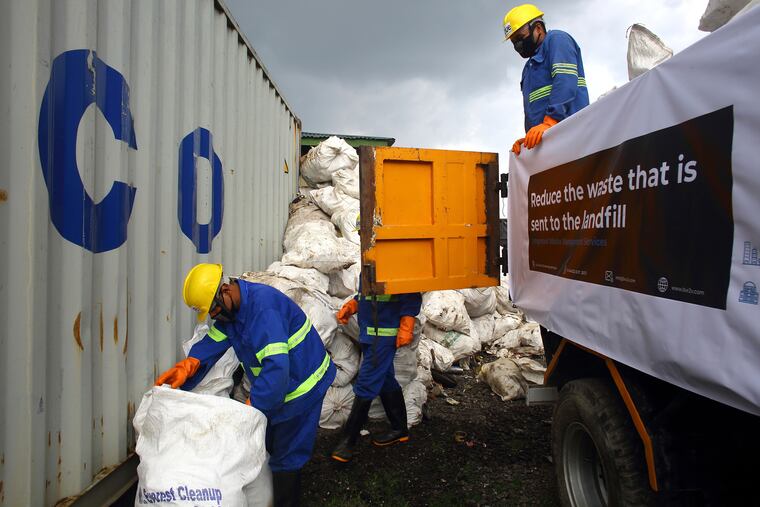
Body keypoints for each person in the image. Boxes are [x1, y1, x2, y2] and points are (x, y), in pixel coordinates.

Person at [155, 263, 336, 507]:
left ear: (226, 291)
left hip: (304, 387)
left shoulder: (264, 311)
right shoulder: (233, 313)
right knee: (270, 442)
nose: (213, 316)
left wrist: (254, 406)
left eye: (214, 310)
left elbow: (276, 368)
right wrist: (190, 364)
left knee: (286, 454)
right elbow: (214, 341)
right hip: (284, 384)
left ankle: (287, 498)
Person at [330, 284, 422, 463]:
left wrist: (407, 321)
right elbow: (366, 296)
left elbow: (410, 291)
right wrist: (352, 305)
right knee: (386, 379)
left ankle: (348, 440)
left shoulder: (393, 262)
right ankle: (399, 429)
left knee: (366, 382)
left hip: (383, 336)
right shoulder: (369, 263)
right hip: (369, 333)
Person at [503, 4, 589, 155]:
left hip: (571, 137)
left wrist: (550, 122)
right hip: (550, 143)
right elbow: (535, 109)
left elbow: (565, 82)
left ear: (538, 28)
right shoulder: (528, 68)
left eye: (520, 38)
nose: (518, 45)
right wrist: (530, 138)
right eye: (513, 42)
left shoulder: (557, 40)